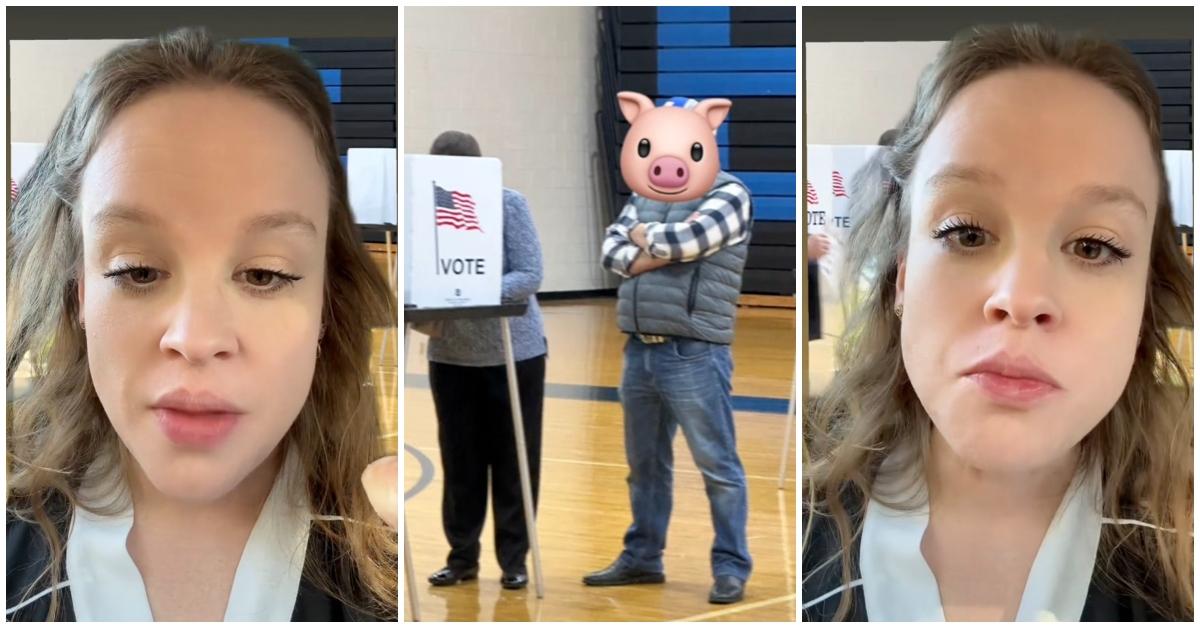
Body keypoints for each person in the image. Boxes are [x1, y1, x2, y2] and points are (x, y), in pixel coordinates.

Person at [803, 24, 1193, 621]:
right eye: (967, 233)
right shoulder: (794, 514)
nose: (1021, 297)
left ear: (1145, 302)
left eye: (1093, 247)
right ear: (904, 275)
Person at [6, 28, 398, 621]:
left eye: (265, 275)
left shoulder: (402, 570)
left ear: (326, 302)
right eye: (137, 270)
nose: (196, 338)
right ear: (80, 290)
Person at [586, 93, 754, 604]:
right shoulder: (642, 197)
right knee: (645, 467)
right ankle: (642, 558)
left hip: (694, 353)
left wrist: (642, 239)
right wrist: (649, 242)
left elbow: (687, 242)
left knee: (718, 467)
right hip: (639, 351)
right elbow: (611, 253)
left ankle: (731, 567)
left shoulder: (730, 194)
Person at [420, 130, 548, 591]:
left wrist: (471, 293)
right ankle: (461, 558)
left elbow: (529, 273)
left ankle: (514, 559)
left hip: (514, 351)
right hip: (451, 354)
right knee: (461, 461)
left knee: (515, 459)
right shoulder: (426, 209)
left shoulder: (508, 203)